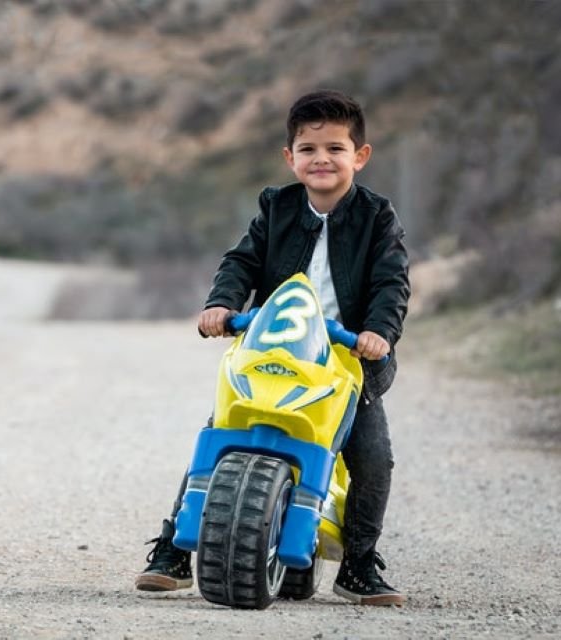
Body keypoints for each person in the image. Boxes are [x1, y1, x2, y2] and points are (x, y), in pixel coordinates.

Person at [134, 90, 410, 606]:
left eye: (335, 148)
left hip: (345, 361)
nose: (321, 159)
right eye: (308, 149)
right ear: (290, 157)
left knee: (373, 457)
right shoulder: (276, 206)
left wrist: (379, 334)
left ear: (360, 156)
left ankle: (358, 562)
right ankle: (174, 548)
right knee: (221, 434)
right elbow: (241, 262)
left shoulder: (377, 217)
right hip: (276, 349)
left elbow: (391, 285)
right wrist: (222, 304)